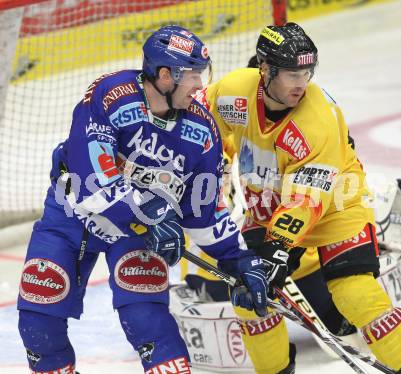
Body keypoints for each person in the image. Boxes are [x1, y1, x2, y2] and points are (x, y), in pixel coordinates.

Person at [17, 25, 269, 374]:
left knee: (150, 323)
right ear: (165, 76)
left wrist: (240, 261)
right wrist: (151, 213)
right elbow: (93, 179)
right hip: (70, 217)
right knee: (38, 324)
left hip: (137, 231)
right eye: (193, 75)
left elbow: (204, 210)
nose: (200, 85)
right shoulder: (111, 94)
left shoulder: (202, 132)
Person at [193, 23, 401, 374]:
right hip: (268, 209)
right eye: (292, 73)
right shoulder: (234, 93)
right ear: (266, 69)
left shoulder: (317, 120)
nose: (301, 83)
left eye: (307, 72)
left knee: (356, 295)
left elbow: (306, 201)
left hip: (336, 209)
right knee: (249, 294)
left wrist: (276, 249)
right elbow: (198, 126)